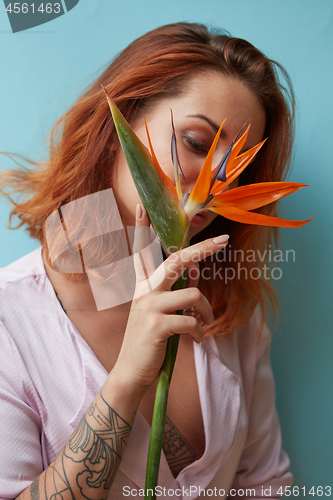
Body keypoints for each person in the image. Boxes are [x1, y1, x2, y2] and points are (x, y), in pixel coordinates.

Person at [0, 23, 295, 499]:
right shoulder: (11, 317)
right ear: (118, 128)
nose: (214, 185)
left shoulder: (228, 309)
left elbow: (264, 485)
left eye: (236, 170)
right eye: (195, 143)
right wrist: (127, 380)